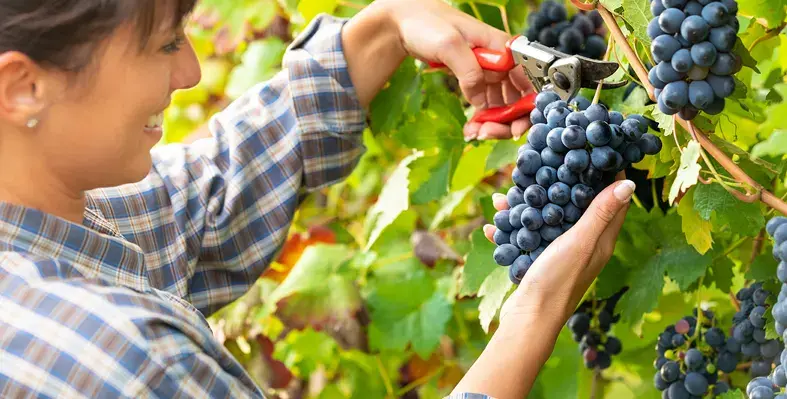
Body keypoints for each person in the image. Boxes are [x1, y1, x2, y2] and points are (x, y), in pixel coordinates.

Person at [0, 0, 635, 398]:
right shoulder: (131, 363)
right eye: (165, 42)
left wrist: (383, 30)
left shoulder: (48, 233)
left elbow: (201, 195)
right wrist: (535, 314)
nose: (189, 72)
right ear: (23, 86)